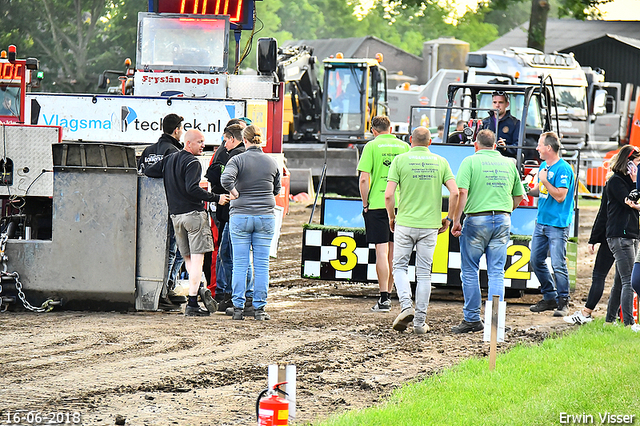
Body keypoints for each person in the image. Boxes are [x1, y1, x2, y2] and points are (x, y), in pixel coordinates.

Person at [145, 129, 230, 316]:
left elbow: (149, 171)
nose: (203, 145)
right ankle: (192, 302)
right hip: (193, 215)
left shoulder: (169, 160)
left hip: (176, 217)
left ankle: (198, 288)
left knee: (189, 260)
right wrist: (217, 197)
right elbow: (192, 189)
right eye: (199, 142)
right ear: (188, 143)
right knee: (197, 260)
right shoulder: (192, 162)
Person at [450, 130, 525, 333]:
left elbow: (461, 192)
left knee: (470, 270)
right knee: (496, 272)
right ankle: (495, 321)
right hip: (502, 219)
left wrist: (456, 220)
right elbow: (518, 196)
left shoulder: (470, 161)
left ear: (476, 145)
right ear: (494, 145)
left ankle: (472, 319)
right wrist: (506, 210)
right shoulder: (509, 163)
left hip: (476, 219)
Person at [386, 126, 458, 334]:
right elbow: (454, 192)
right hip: (430, 226)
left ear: (410, 140)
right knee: (424, 273)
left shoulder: (400, 161)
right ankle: (419, 323)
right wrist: (450, 218)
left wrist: (392, 217)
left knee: (399, 267)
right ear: (430, 142)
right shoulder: (441, 162)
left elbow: (389, 195)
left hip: (405, 222)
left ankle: (406, 306)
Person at [221, 125, 280, 321]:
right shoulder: (271, 162)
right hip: (265, 217)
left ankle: (238, 308)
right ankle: (259, 309)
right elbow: (276, 189)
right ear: (260, 141)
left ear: (244, 141)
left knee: (240, 263)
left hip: (240, 216)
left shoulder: (237, 160)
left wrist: (235, 192)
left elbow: (225, 178)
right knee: (262, 264)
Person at [357, 115, 410, 312]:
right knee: (394, 252)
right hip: (400, 204)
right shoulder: (404, 147)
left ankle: (384, 298)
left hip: (378, 203)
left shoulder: (371, 146)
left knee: (381, 251)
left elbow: (364, 179)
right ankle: (388, 295)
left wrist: (365, 203)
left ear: (374, 130)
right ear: (390, 128)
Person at [137, 113, 186, 310]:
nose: (182, 132)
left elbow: (140, 172)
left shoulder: (148, 151)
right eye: (181, 128)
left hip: (145, 211)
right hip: (169, 209)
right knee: (174, 250)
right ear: (176, 130)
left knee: (149, 252)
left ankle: (158, 290)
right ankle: (165, 291)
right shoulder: (173, 152)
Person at [206, 120, 255, 315]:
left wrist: (230, 192)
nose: (223, 143)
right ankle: (237, 295)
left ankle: (241, 296)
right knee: (231, 254)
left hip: (235, 212)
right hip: (239, 212)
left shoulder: (235, 155)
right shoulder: (236, 153)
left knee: (234, 255)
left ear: (234, 139)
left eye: (225, 139)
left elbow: (218, 178)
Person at [528, 131, 575, 317]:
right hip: (542, 221)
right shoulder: (544, 166)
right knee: (535, 260)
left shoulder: (563, 169)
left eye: (540, 145)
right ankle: (549, 296)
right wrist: (526, 189)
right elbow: (541, 191)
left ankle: (563, 302)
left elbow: (560, 196)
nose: (537, 148)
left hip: (557, 224)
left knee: (558, 263)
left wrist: (545, 180)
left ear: (548, 148)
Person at [597, 145, 639, 326]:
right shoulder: (616, 181)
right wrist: (635, 180)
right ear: (628, 164)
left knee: (620, 280)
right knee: (629, 279)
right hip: (620, 236)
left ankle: (609, 319)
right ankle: (629, 323)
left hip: (631, 234)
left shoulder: (629, 182)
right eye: (637, 163)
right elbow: (630, 201)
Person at [482, 91, 521, 159]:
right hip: (486, 157)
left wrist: (505, 147)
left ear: (507, 104)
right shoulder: (484, 122)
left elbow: (519, 146)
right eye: (495, 102)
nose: (497, 105)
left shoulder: (515, 123)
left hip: (506, 158)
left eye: (500, 102)